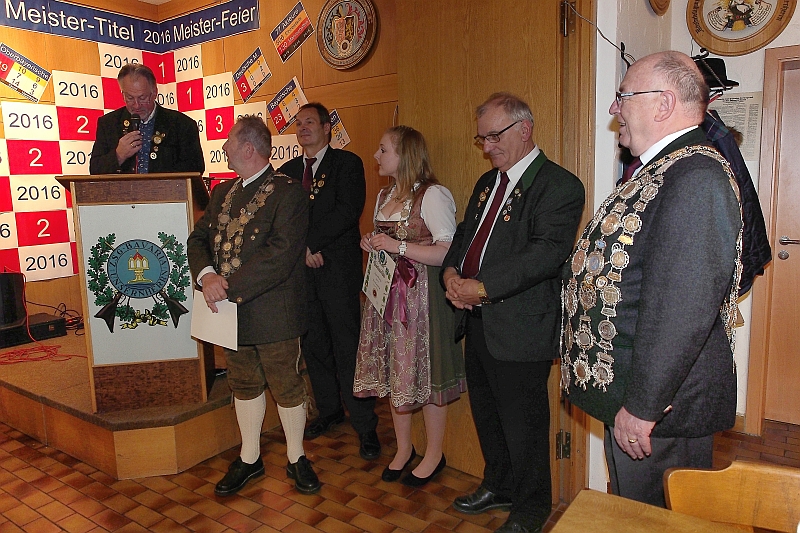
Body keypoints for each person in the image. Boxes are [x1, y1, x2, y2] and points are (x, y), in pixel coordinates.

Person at [561, 51, 743, 508]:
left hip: (661, 413)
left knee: (658, 517)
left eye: (623, 96)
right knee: (634, 511)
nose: (613, 108)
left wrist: (642, 408)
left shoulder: (696, 176)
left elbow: (682, 309)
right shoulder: (665, 168)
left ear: (663, 104)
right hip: (641, 400)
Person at [442, 93, 585, 533]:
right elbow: (465, 235)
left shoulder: (559, 186)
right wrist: (451, 273)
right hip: (478, 320)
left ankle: (531, 508)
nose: (487, 147)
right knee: (487, 414)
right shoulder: (488, 183)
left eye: (493, 136)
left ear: (525, 129)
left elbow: (546, 253)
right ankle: (499, 484)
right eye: (482, 139)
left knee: (524, 424)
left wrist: (482, 288)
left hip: (521, 326)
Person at [187, 116, 320, 497]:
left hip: (273, 309)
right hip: (229, 311)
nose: (224, 147)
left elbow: (280, 254)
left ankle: (296, 457)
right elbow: (198, 239)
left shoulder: (289, 193)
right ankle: (250, 457)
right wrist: (207, 276)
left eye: (229, 141)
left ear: (248, 148)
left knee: (286, 383)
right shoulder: (222, 192)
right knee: (242, 382)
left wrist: (225, 287)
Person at [354, 126, 466, 487]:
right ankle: (404, 449)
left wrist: (397, 246)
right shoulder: (384, 194)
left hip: (422, 301)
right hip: (385, 297)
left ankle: (434, 454)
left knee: (428, 378)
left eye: (383, 149)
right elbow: (384, 242)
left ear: (405, 156)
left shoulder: (432, 195)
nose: (376, 156)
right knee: (395, 372)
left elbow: (448, 251)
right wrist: (371, 242)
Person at [279, 103, 380, 460]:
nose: (302, 128)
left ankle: (365, 424)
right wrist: (303, 249)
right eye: (298, 123)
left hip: (337, 270)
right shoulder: (288, 171)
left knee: (347, 346)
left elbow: (347, 211)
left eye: (310, 122)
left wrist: (312, 244)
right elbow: (284, 219)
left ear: (326, 128)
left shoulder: (347, 164)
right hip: (301, 274)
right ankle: (330, 410)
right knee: (314, 344)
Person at [90, 63, 208, 210]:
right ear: (122, 94)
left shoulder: (181, 124)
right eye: (130, 98)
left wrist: (154, 185)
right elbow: (95, 170)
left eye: (142, 98)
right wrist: (118, 155)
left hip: (168, 207)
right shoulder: (108, 124)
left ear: (154, 92)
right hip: (121, 208)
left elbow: (195, 169)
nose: (136, 105)